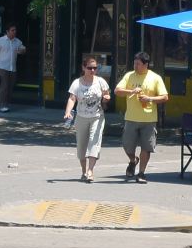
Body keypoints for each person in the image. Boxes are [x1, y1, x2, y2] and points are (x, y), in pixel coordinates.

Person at [115, 51, 169, 183]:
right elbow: (117, 91)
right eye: (134, 63)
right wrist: (131, 91)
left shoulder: (155, 78)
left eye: (138, 64)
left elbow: (165, 97)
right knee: (127, 145)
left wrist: (149, 98)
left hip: (149, 119)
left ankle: (141, 173)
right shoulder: (129, 76)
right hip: (131, 118)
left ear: (146, 65)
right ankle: (133, 160)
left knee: (146, 147)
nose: (135, 66)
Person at [63, 55, 110, 183]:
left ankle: (90, 171)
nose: (92, 70)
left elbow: (107, 94)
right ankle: (83, 171)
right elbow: (72, 98)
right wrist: (68, 112)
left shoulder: (101, 81)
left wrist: (106, 98)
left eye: (95, 68)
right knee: (81, 147)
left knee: (94, 142)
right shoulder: (77, 83)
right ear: (83, 68)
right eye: (90, 68)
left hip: (97, 117)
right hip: (81, 117)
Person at [0, 23, 26, 112]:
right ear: (7, 31)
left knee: (10, 86)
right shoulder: (0, 40)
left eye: (15, 30)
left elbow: (23, 49)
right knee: (4, 85)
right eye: (12, 30)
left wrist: (22, 51)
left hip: (12, 68)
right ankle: (2, 105)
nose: (14, 32)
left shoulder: (17, 41)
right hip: (2, 67)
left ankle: (6, 103)